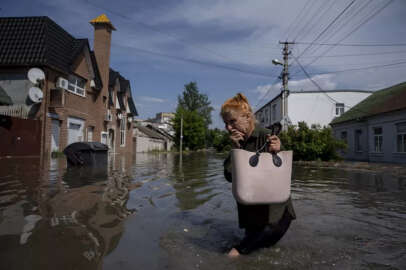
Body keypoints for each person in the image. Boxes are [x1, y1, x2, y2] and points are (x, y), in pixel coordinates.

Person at [221, 93, 296, 257]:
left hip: (274, 218)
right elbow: (229, 176)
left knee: (234, 255)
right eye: (226, 123)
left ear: (248, 117)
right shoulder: (239, 142)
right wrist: (236, 150)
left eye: (232, 121)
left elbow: (285, 172)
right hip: (252, 217)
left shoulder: (266, 135)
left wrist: (278, 150)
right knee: (260, 256)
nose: (228, 128)